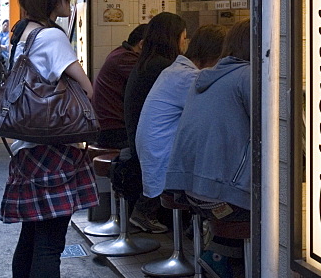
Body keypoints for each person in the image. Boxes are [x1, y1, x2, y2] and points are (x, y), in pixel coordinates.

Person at [1, 0, 98, 278]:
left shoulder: (20, 34)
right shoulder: (52, 36)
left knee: (30, 242)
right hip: (53, 151)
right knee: (49, 247)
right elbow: (85, 86)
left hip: (26, 148)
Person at [165, 20, 251, 278]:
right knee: (281, 208)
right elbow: (273, 129)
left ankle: (219, 254)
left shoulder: (205, 76)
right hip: (221, 199)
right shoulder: (248, 76)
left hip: (188, 190)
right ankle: (226, 261)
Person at [136, 24, 227, 200]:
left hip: (155, 158)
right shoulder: (189, 78)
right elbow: (216, 114)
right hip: (165, 165)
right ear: (214, 56)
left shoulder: (175, 71)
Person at [122, 12, 188, 234]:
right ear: (173, 38)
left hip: (135, 136)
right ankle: (149, 212)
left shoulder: (146, 62)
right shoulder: (163, 68)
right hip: (145, 144)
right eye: (183, 37)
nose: (184, 43)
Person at [92, 23, 148, 149]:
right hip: (114, 132)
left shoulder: (120, 53)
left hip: (109, 129)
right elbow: (149, 83)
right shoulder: (125, 58)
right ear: (142, 44)